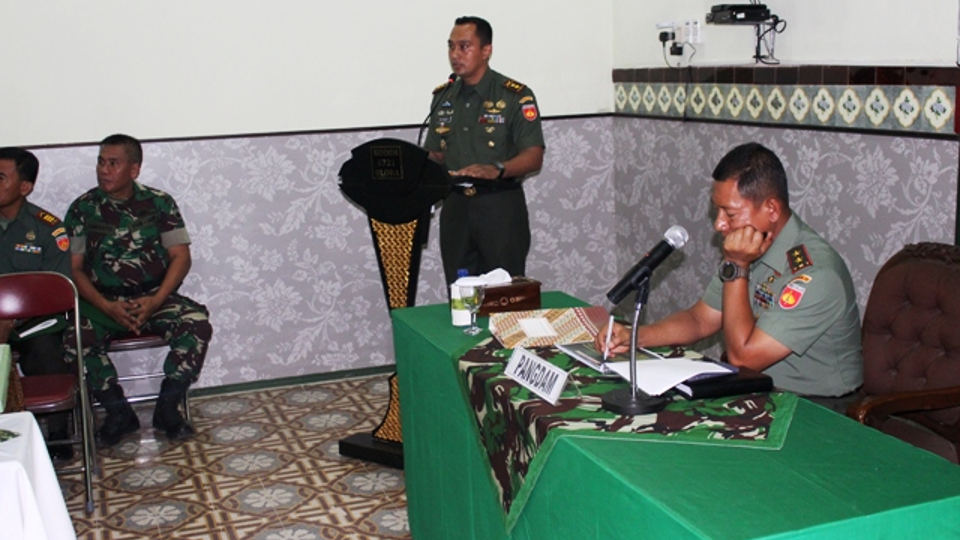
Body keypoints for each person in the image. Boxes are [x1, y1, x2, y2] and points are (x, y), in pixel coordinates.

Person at [595, 142, 862, 407]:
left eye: (730, 214)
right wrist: (634, 337)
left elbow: (744, 358)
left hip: (817, 408)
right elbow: (700, 319)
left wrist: (737, 265)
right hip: (759, 391)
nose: (719, 224)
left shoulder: (816, 274)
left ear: (771, 209)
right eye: (718, 210)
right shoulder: (750, 247)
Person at [64, 134, 212, 445]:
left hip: (154, 297)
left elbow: (180, 257)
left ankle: (167, 409)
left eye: (113, 163)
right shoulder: (82, 208)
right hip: (103, 301)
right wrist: (106, 306)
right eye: (101, 162)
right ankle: (118, 412)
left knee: (196, 324)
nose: (104, 170)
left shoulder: (159, 203)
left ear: (134, 169)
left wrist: (156, 301)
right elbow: (74, 269)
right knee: (74, 337)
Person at [424, 15, 545, 285]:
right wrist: (413, 161)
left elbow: (534, 156)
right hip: (456, 208)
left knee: (505, 294)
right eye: (451, 46)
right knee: (460, 293)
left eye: (464, 46)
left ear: (486, 50)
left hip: (499, 207)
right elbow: (436, 154)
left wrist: (496, 169)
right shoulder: (443, 97)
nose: (455, 54)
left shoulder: (514, 96)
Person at [0, 146, 75, 459]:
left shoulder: (47, 228)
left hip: (35, 323)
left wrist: (11, 321)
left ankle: (58, 436)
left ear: (25, 187)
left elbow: (58, 290)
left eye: (0, 177)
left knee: (45, 353)